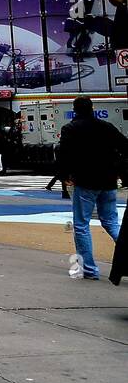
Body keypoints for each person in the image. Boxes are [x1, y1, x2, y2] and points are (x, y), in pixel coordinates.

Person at [57, 96, 126, 280]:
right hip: (109, 180)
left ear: (75, 109)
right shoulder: (107, 127)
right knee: (111, 222)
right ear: (92, 108)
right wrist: (117, 168)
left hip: (85, 180)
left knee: (81, 225)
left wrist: (65, 176)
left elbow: (64, 154)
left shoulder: (70, 129)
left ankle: (90, 269)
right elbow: (124, 146)